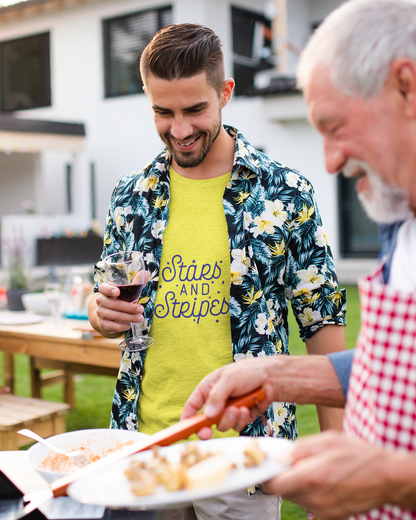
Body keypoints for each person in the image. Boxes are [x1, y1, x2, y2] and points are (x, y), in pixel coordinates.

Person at [88, 23, 347, 519]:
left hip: (242, 456)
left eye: (195, 110)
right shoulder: (130, 195)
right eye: (163, 112)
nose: (179, 130)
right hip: (143, 447)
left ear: (225, 93)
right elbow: (104, 304)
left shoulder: (286, 193)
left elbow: (323, 329)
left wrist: (335, 461)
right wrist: (99, 313)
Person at [181, 1, 416, 519]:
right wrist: (277, 376)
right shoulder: (403, 222)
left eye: (335, 127)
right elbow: (397, 370)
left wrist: (395, 479)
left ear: (406, 86)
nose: (331, 160)